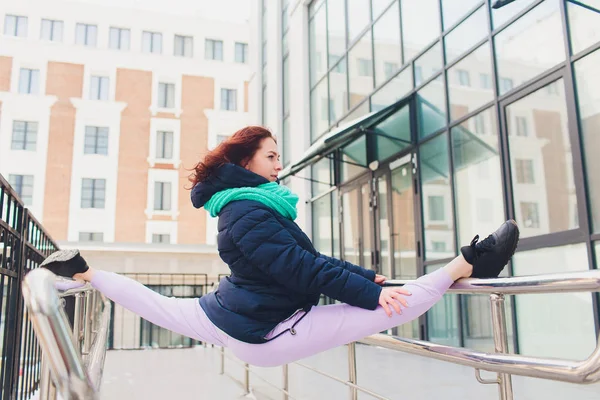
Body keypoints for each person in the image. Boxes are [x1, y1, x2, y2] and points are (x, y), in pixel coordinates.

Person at [41, 126, 519, 368]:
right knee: (398, 305)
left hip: (231, 312)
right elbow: (300, 270)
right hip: (266, 332)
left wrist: (361, 276)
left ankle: (82, 271)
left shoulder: (248, 206)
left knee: (156, 304)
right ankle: (468, 261)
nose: (278, 164)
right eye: (270, 156)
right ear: (245, 162)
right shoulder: (247, 211)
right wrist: (371, 295)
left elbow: (308, 260)